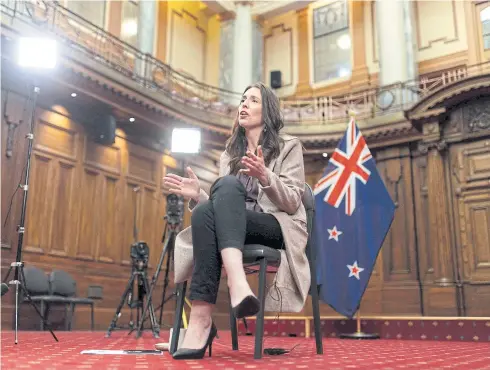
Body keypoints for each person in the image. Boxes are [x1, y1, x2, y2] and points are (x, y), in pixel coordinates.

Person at [163, 82, 310, 360]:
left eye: (253, 100)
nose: (243, 104)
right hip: (237, 230)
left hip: (275, 226)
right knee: (208, 208)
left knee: (218, 200)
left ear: (267, 111)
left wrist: (265, 176)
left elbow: (292, 202)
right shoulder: (229, 155)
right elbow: (222, 212)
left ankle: (228, 290)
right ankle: (204, 317)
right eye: (242, 100)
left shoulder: (289, 147)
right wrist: (199, 195)